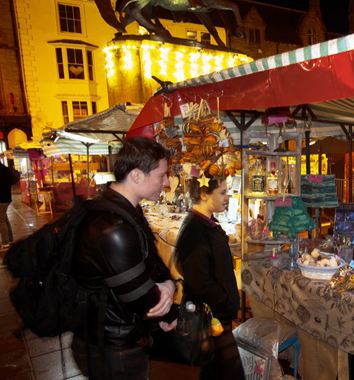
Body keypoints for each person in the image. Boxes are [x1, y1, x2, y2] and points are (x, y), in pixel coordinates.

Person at [71, 137, 178, 379]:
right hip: (111, 344)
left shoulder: (127, 211)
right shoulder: (111, 226)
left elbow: (152, 261)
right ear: (137, 175)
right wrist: (168, 310)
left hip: (121, 334)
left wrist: (170, 284)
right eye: (161, 175)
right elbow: (143, 298)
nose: (167, 182)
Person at [175, 175, 243, 380]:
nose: (226, 198)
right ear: (204, 194)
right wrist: (224, 303)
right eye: (222, 193)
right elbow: (200, 281)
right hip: (212, 319)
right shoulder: (195, 229)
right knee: (230, 374)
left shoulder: (206, 223)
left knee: (213, 372)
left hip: (217, 317)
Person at [0, 161, 14, 249]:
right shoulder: (6, 169)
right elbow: (12, 182)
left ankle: (5, 242)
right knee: (4, 218)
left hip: (1, 199)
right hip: (7, 197)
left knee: (1, 220)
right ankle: (10, 239)